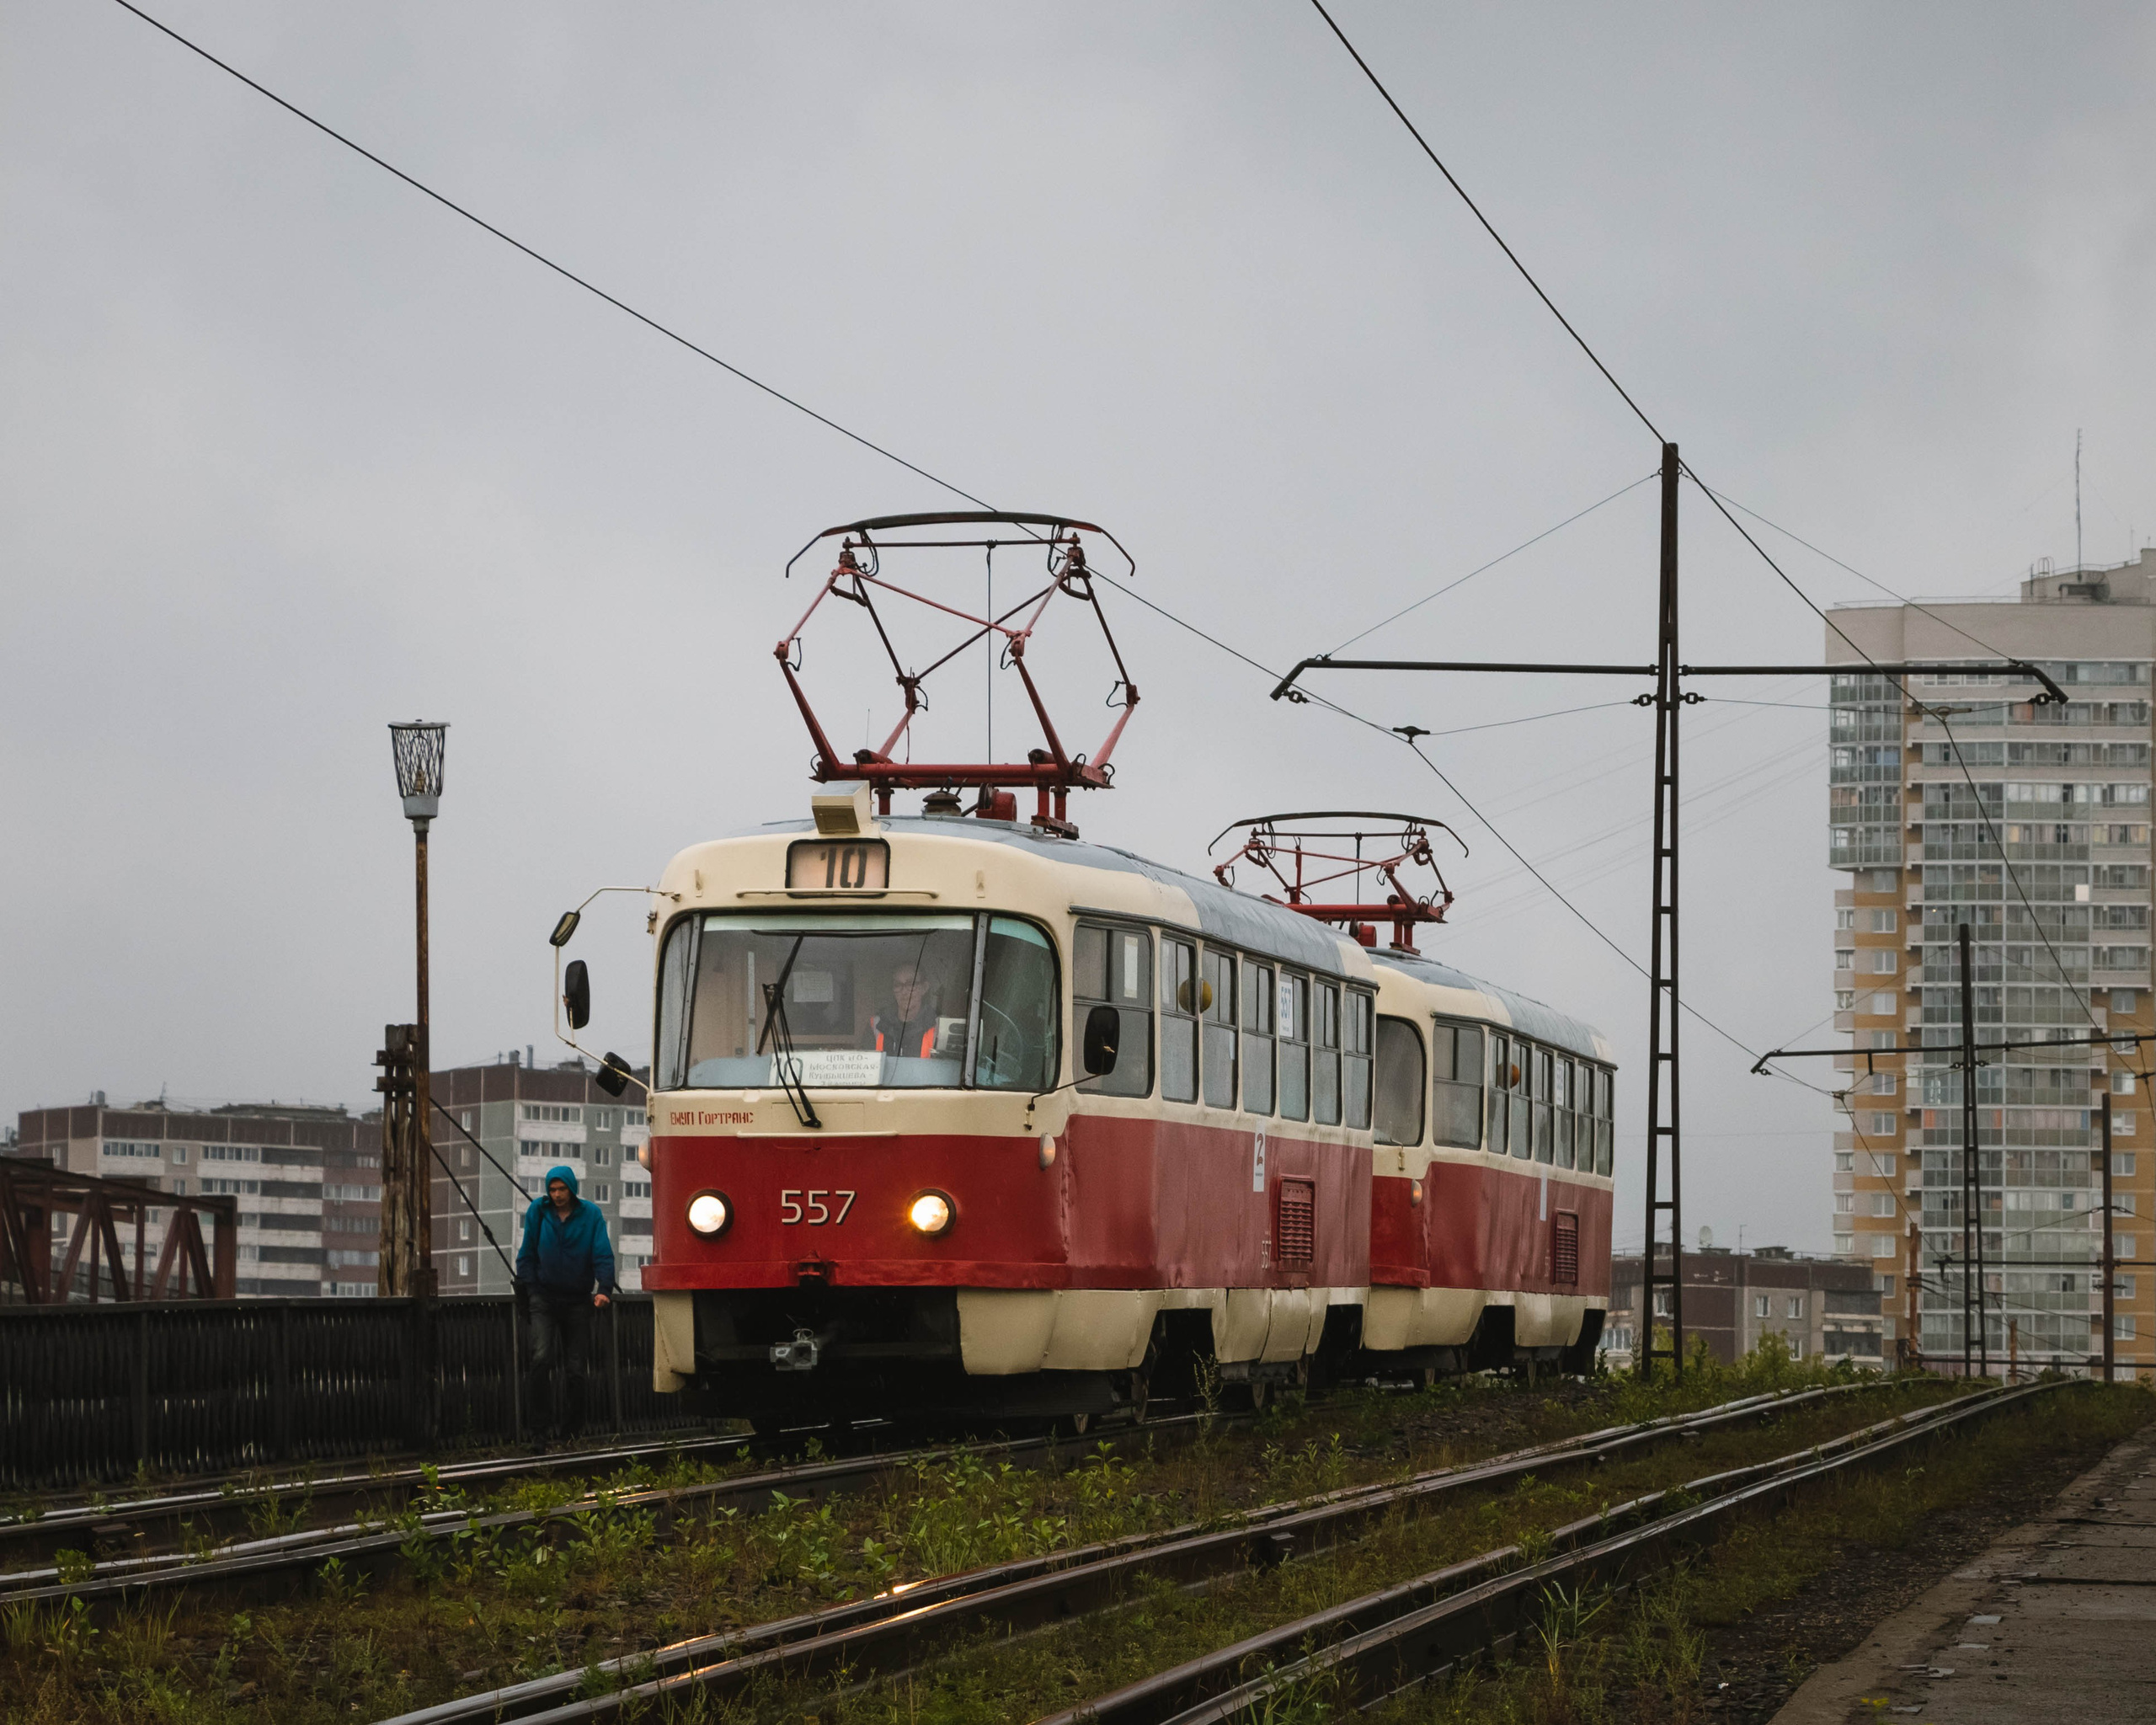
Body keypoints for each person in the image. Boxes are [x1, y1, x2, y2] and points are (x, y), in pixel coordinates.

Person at [515, 1163, 615, 1440]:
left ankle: (571, 1432)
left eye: (562, 1189)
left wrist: (604, 1288)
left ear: (572, 1189)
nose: (557, 1194)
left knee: (575, 1368)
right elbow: (527, 1252)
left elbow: (602, 1253)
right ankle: (539, 1432)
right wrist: (532, 1288)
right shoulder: (539, 1211)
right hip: (544, 1298)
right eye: (552, 1189)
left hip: (578, 1300)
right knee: (540, 1359)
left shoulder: (590, 1215)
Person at [862, 961, 942, 1057]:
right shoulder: (876, 1024)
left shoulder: (939, 1026)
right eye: (898, 985)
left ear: (924, 988)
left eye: (911, 984)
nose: (904, 991)